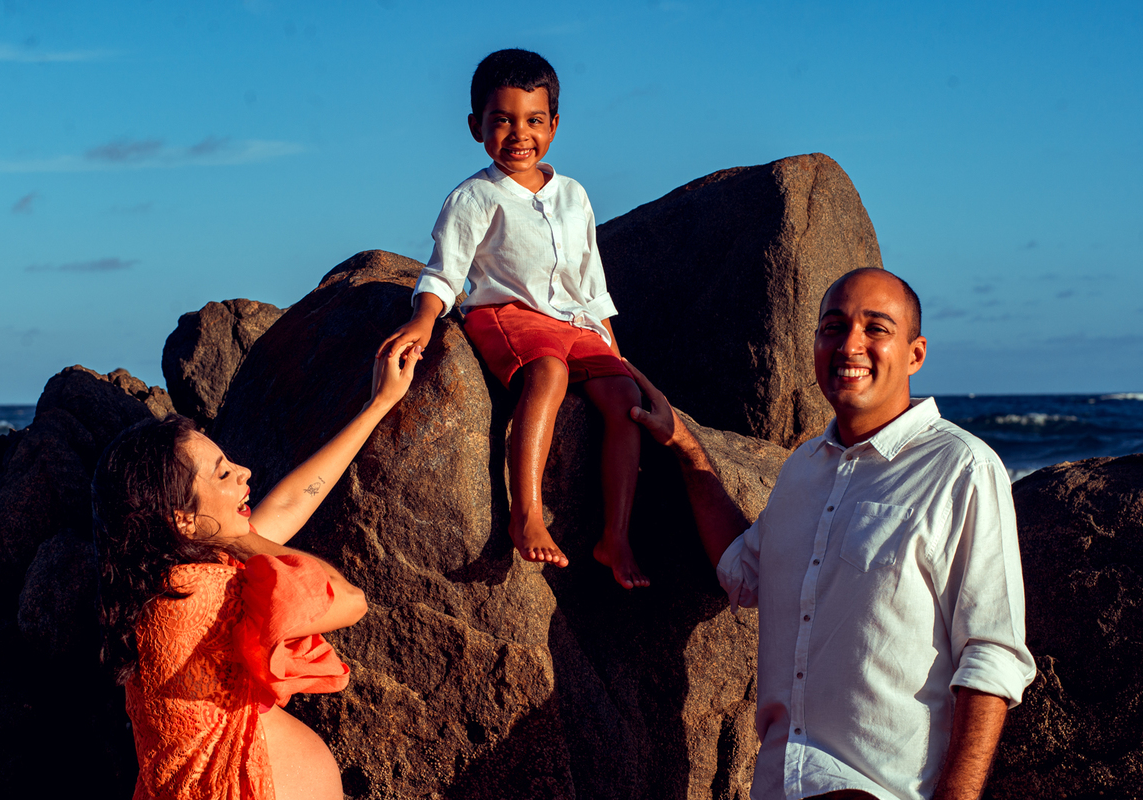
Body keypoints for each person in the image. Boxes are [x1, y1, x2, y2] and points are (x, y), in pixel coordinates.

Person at [626, 268, 1037, 800]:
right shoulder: (803, 468)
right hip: (777, 785)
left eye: (876, 328)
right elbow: (744, 570)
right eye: (833, 326)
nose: (850, 345)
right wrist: (686, 446)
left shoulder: (961, 469)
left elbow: (991, 652)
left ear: (915, 354)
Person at [93, 346, 421, 800]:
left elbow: (289, 503)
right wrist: (241, 539)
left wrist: (377, 404)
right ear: (183, 519)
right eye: (224, 474)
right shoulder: (202, 594)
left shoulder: (170, 580)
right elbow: (347, 600)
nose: (245, 472)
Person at [379, 48, 648, 589]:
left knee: (626, 401)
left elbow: (590, 284)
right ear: (476, 125)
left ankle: (614, 535)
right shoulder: (474, 197)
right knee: (546, 372)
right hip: (507, 314)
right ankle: (526, 513)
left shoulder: (573, 195)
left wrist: (613, 352)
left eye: (533, 120)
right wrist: (424, 320)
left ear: (553, 124)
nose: (518, 134)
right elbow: (444, 271)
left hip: (575, 324)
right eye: (501, 121)